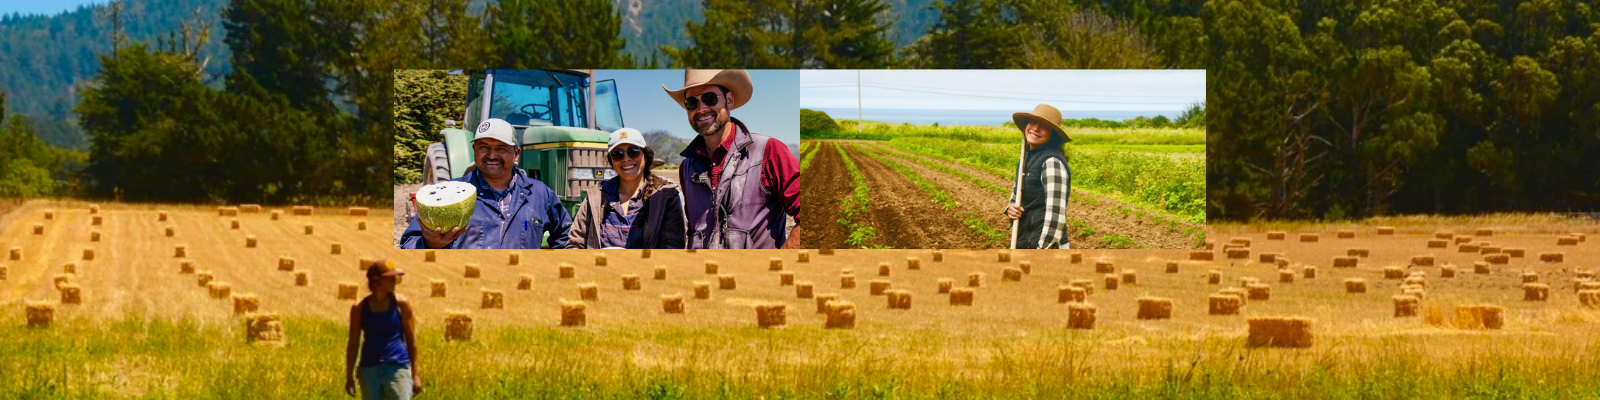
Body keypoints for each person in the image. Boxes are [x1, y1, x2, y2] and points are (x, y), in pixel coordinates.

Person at [663, 69, 801, 249]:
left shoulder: (769, 150)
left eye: (709, 98)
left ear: (729, 100)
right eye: (691, 102)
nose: (701, 108)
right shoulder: (687, 168)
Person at [398, 118, 572, 249]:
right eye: (484, 147)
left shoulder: (540, 193)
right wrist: (430, 244)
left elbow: (566, 238)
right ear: (474, 150)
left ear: (516, 153)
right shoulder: (448, 195)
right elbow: (409, 243)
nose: (491, 155)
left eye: (501, 148)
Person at [565, 128, 687, 249]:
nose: (626, 158)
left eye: (633, 151)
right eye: (617, 154)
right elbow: (575, 244)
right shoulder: (596, 197)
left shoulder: (665, 197)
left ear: (645, 156)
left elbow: (672, 247)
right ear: (611, 161)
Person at [345, 259, 421, 399]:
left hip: (397, 368)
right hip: (369, 370)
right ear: (376, 281)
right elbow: (353, 344)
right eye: (390, 278)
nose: (394, 281)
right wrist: (349, 375)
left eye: (395, 278)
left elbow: (412, 342)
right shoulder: (359, 308)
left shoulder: (402, 305)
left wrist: (415, 375)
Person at [1004, 104, 1072, 249]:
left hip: (1045, 247)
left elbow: (1055, 215)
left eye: (1044, 126)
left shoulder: (1052, 161)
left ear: (1052, 134)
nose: (1035, 128)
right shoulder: (1026, 158)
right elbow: (1018, 194)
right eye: (1033, 122)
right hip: (1026, 241)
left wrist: (1042, 250)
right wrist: (1011, 207)